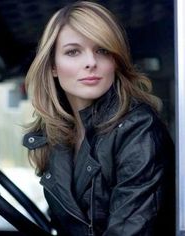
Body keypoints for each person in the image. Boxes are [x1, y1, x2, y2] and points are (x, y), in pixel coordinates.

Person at [23, 1, 175, 235]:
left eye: (102, 50)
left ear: (115, 61)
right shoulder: (55, 135)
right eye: (73, 52)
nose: (91, 62)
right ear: (53, 66)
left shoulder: (138, 129)